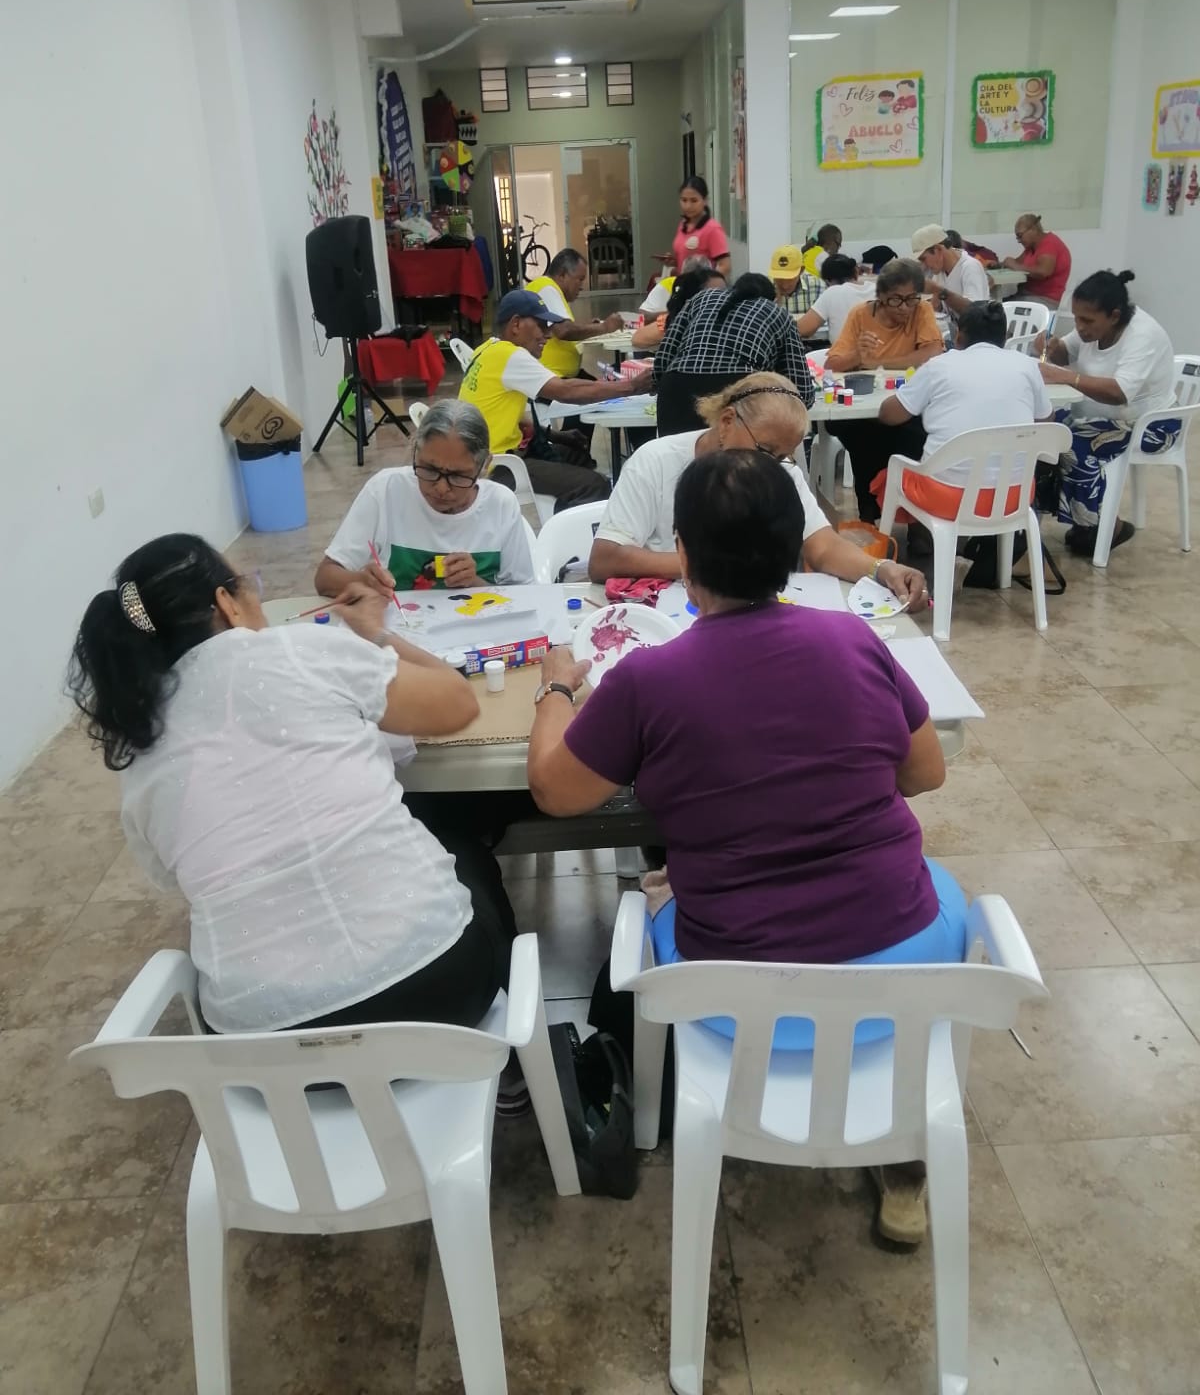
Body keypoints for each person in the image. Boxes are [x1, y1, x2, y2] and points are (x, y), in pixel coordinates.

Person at [530, 449, 959, 1246]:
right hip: (904, 971)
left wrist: (556, 686)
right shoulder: (854, 639)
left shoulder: (647, 680)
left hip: (740, 996)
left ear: (683, 553)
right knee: (931, 885)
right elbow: (925, 773)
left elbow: (556, 793)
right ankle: (901, 1150)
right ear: (795, 550)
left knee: (653, 900)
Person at [68, 535, 518, 1037]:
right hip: (439, 987)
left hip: (258, 1039)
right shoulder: (299, 649)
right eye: (249, 585)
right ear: (226, 603)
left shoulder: (139, 743)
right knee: (465, 853)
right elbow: (457, 703)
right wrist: (376, 634)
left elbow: (174, 878)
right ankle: (518, 1061)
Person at [587, 372, 929, 612]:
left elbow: (823, 546)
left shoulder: (778, 472)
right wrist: (715, 567)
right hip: (666, 615)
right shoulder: (655, 462)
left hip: (742, 614)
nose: (772, 465)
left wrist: (882, 569)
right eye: (765, 450)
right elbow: (605, 559)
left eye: (782, 457)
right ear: (726, 421)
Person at [315, 400, 533, 598]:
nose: (441, 488)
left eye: (458, 476)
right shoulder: (385, 490)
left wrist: (474, 583)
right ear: (415, 451)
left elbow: (525, 595)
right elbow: (325, 578)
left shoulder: (500, 504)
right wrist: (363, 581)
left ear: (483, 466)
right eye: (429, 469)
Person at [1034, 269, 1179, 556]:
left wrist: (1067, 377)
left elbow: (1119, 393)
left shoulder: (1142, 335)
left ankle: (1106, 526)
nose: (1080, 327)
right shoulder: (1091, 327)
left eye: (1086, 320)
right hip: (1096, 416)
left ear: (1114, 316)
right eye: (1076, 318)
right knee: (1041, 432)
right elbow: (1065, 354)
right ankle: (1069, 522)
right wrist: (1050, 347)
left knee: (1072, 446)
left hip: (1148, 425)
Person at [459, 288, 643, 510]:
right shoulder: (510, 355)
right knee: (595, 485)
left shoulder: (486, 349)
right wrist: (632, 386)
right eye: (541, 326)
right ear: (516, 324)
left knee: (577, 455)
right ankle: (563, 528)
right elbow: (566, 391)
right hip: (497, 466)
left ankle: (561, 510)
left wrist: (557, 435)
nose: (548, 335)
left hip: (481, 457)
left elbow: (502, 415)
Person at [875, 300, 1053, 518]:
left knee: (897, 470)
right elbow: (1046, 421)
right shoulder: (1028, 366)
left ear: (958, 336)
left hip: (946, 498)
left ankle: (927, 533)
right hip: (1015, 498)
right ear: (1005, 338)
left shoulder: (938, 366)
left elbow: (889, 415)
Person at [824, 258, 945, 521]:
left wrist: (878, 362)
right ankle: (869, 512)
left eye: (911, 299)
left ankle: (914, 519)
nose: (904, 307)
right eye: (896, 300)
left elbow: (933, 352)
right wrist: (857, 355)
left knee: (915, 435)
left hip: (905, 404)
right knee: (862, 436)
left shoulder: (921, 310)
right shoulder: (861, 315)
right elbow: (832, 365)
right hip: (863, 409)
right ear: (880, 297)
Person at [654, 272, 815, 435]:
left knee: (676, 450)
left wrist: (660, 385)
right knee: (735, 452)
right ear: (772, 299)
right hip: (740, 389)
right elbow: (801, 392)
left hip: (676, 389)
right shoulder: (778, 314)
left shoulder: (702, 298)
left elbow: (663, 357)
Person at [526, 247, 624, 378]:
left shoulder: (546, 288)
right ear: (562, 275)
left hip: (559, 374)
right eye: (580, 279)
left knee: (605, 380)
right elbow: (564, 330)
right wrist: (604, 327)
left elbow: (558, 328)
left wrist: (588, 327)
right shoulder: (547, 288)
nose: (582, 286)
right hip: (552, 377)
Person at [631, 263, 724, 351]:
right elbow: (639, 338)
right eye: (714, 294)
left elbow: (638, 339)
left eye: (724, 291)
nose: (723, 297)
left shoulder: (678, 319)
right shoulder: (680, 319)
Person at [911, 224, 991, 324]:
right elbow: (938, 309)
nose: (924, 265)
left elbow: (974, 312)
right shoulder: (939, 270)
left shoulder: (970, 267)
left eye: (924, 259)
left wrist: (939, 291)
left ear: (938, 249)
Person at [793, 253, 877, 342]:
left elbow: (803, 330)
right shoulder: (876, 289)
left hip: (845, 350)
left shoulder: (832, 292)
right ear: (856, 273)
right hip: (881, 348)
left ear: (827, 281)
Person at [1002, 213, 1072, 308]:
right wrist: (998, 264)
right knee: (995, 306)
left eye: (1020, 236)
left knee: (999, 310)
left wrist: (1016, 266)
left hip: (1045, 299)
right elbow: (1017, 262)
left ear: (1033, 230)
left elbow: (1043, 272)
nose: (1019, 240)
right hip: (1027, 295)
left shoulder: (1049, 243)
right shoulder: (1032, 247)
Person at [671, 175, 731, 277]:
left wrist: (706, 283)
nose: (688, 206)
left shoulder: (712, 228)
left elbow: (725, 266)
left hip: (702, 285)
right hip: (683, 283)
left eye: (694, 200)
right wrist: (674, 262)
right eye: (684, 200)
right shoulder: (683, 225)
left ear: (705, 200)